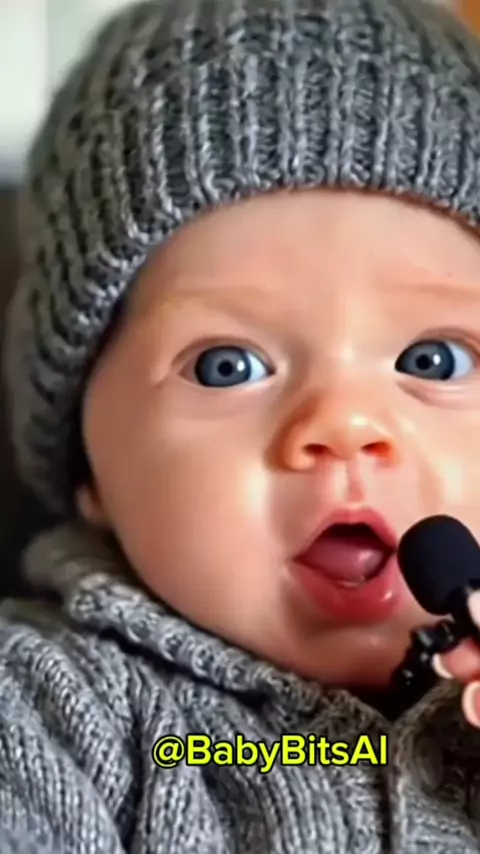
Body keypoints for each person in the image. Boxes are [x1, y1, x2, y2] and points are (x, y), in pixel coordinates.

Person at [3, 0, 480, 850]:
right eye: (227, 365)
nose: (344, 425)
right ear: (89, 467)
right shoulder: (41, 714)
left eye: (435, 360)